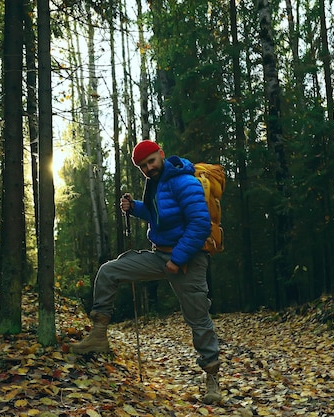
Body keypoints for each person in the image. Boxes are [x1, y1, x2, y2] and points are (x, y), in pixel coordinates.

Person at [69, 140, 222, 404]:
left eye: (151, 161)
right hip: (160, 255)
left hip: (189, 260)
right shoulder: (157, 183)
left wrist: (179, 257)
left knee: (198, 319)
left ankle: (212, 378)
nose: (148, 168)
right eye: (142, 166)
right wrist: (135, 207)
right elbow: (158, 214)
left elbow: (199, 224)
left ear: (161, 155)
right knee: (109, 271)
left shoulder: (184, 182)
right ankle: (98, 335)